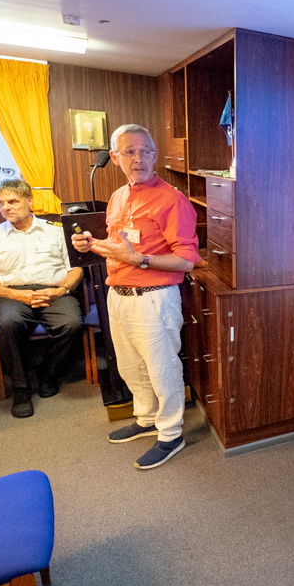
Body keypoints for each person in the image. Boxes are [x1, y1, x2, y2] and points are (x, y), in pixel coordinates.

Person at [71, 124, 199, 470]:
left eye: (145, 151)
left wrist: (141, 260)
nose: (138, 158)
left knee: (162, 368)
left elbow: (186, 260)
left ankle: (171, 433)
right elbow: (120, 247)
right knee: (130, 366)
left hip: (154, 298)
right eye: (130, 152)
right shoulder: (117, 197)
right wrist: (91, 245)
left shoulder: (173, 200)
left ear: (155, 156)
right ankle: (147, 418)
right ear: (115, 158)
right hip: (118, 294)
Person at [0, 179, 84, 418]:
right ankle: (21, 389)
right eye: (1, 203)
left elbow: (75, 268)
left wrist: (62, 289)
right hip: (10, 295)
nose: (6, 207)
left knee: (71, 324)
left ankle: (48, 373)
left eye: (13, 201)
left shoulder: (56, 231)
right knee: (8, 324)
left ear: (30, 201)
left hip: (53, 291)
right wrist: (17, 295)